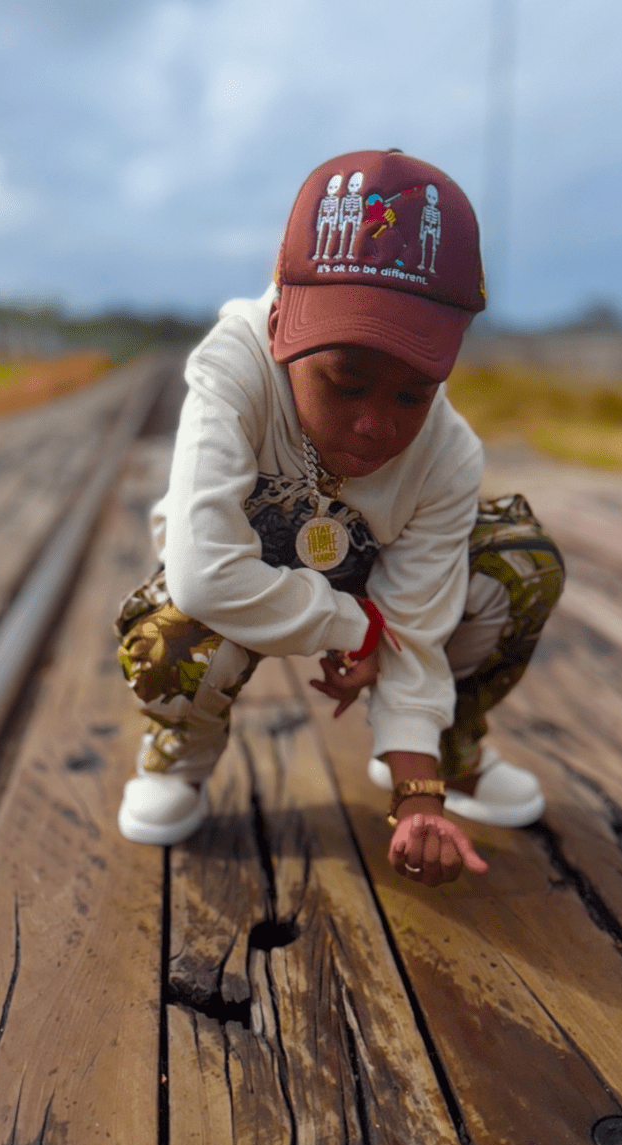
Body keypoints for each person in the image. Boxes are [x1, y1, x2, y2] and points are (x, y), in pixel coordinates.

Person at [115, 148, 564, 887]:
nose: (373, 426)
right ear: (285, 319)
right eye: (345, 383)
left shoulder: (448, 456)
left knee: (517, 566)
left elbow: (418, 624)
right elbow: (205, 576)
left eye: (412, 396)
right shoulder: (233, 368)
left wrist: (417, 792)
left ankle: (447, 748)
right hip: (242, 569)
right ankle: (181, 754)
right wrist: (358, 629)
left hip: (374, 578)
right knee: (172, 632)